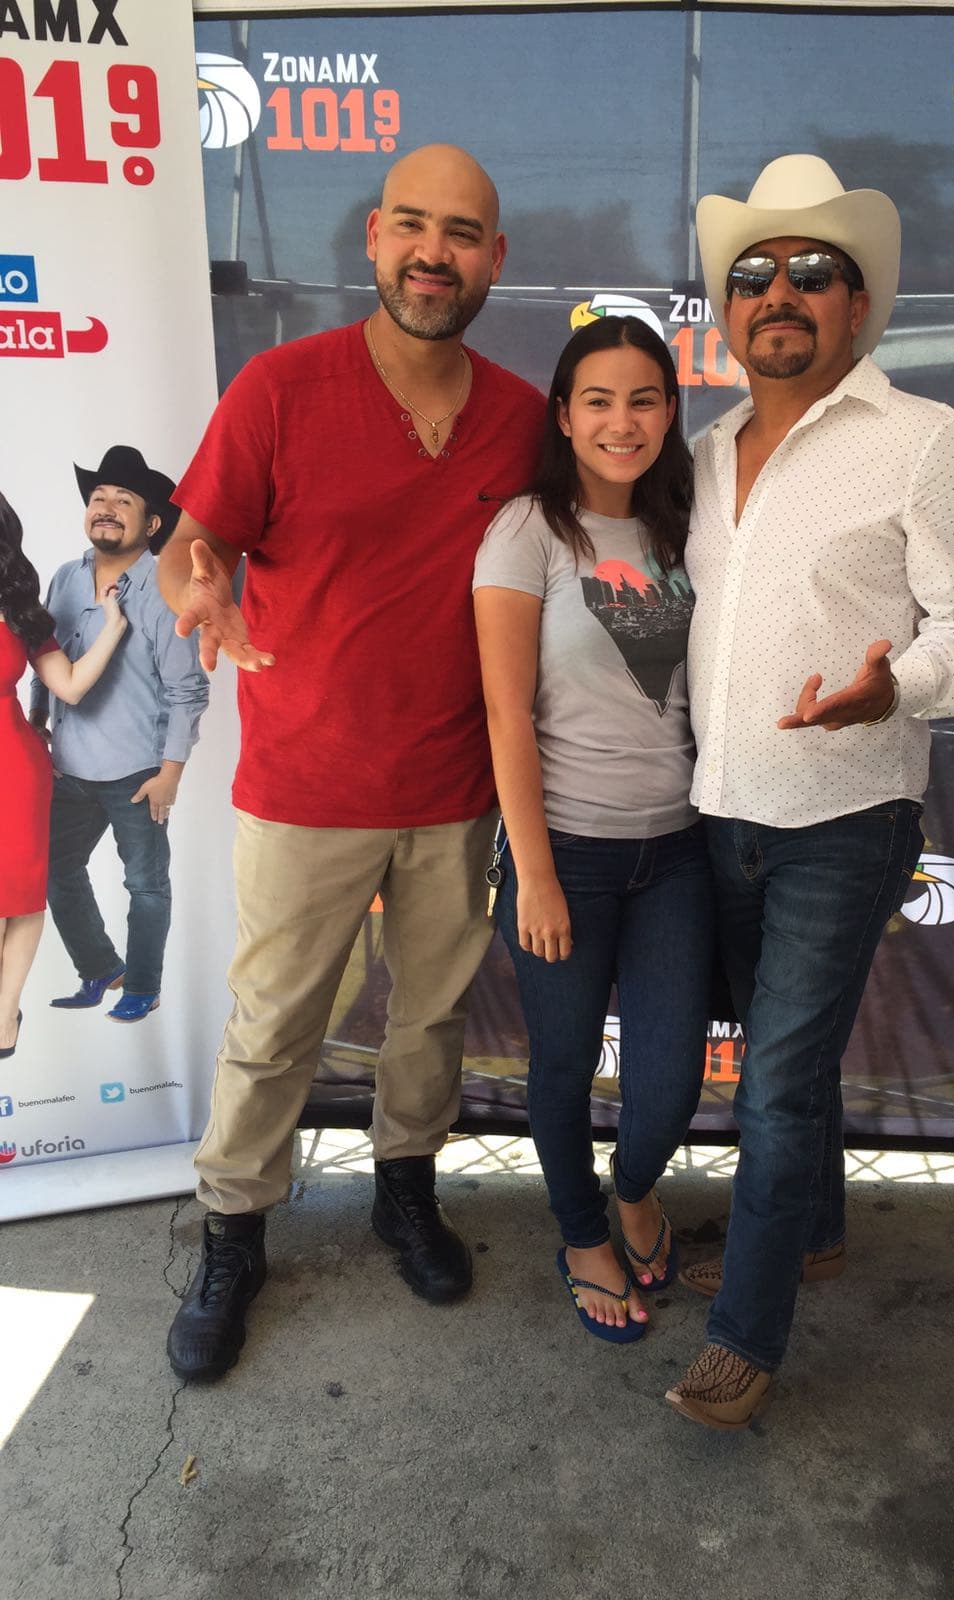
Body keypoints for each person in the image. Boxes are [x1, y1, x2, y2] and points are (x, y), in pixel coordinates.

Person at [159, 145, 544, 1383]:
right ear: (376, 238)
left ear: (496, 259)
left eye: (465, 234)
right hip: (306, 788)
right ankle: (232, 1233)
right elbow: (189, 544)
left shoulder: (528, 419)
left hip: (455, 789)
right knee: (276, 1026)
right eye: (415, 228)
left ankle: (404, 1191)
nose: (436, 253)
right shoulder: (280, 388)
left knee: (429, 1018)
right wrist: (197, 584)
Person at [665, 155, 954, 1428]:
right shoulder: (702, 454)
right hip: (720, 809)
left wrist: (895, 688)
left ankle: (745, 1337)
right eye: (753, 275)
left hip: (847, 818)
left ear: (857, 308)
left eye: (813, 273)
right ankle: (809, 1232)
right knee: (776, 1062)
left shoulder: (928, 443)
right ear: (726, 309)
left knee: (775, 1084)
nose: (780, 293)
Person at [473, 315, 714, 1343]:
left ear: (671, 411)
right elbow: (503, 711)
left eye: (646, 398)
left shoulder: (691, 525)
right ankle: (581, 1231)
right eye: (600, 401)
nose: (624, 421)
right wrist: (534, 872)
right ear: (565, 416)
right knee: (565, 1064)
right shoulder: (526, 530)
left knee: (669, 1081)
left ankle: (633, 1187)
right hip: (565, 848)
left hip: (680, 853)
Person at [28, 447, 208, 1026]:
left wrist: (171, 774)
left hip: (137, 773)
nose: (106, 508)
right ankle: (102, 970)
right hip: (71, 769)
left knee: (146, 886)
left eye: (123, 500)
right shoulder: (65, 577)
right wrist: (39, 728)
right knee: (57, 870)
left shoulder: (162, 589)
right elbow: (45, 661)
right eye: (98, 498)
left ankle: (145, 986)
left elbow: (188, 691)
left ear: (151, 523)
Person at [0, 491, 128, 1058]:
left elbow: (70, 685)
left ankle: (4, 1020)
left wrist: (113, 626)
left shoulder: (19, 612)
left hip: (16, 772)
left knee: (23, 899)